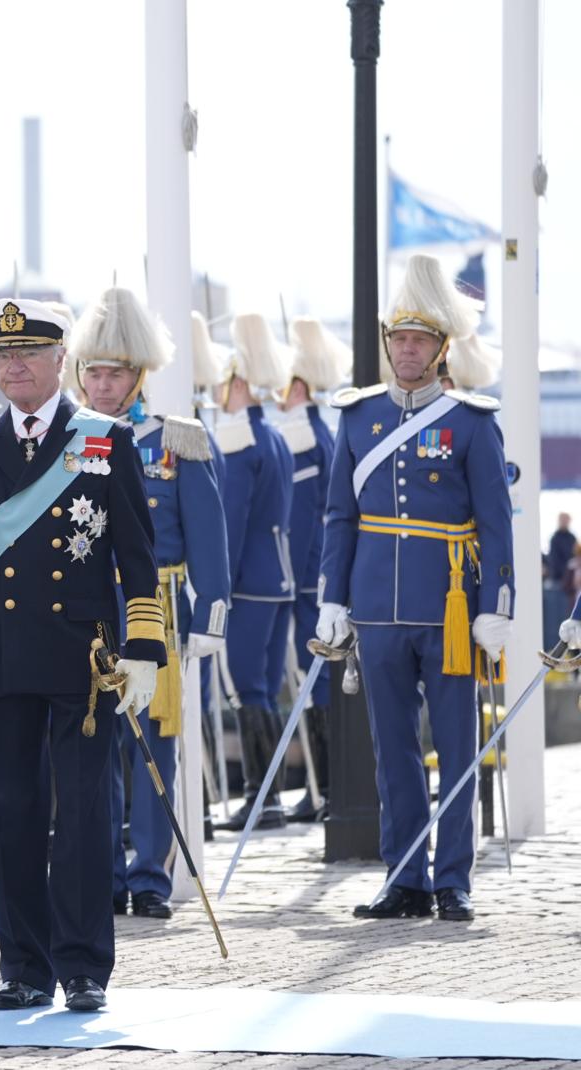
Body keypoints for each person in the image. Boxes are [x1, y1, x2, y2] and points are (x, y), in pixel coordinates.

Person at [0, 297, 166, 1013]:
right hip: (2, 656)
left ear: (63, 360)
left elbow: (137, 555)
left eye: (29, 353)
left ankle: (85, 965)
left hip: (83, 662)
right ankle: (24, 966)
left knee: (87, 814)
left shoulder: (102, 440)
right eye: (3, 355)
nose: (15, 366)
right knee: (11, 812)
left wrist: (145, 647)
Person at [318, 253, 514, 922]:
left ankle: (452, 879)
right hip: (376, 607)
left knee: (458, 746)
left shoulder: (472, 421)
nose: (407, 350)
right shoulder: (358, 418)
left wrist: (497, 608)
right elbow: (340, 516)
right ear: (387, 345)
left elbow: (496, 523)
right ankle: (404, 877)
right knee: (392, 751)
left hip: (451, 608)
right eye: (399, 339)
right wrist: (333, 600)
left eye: (420, 340)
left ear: (440, 349)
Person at [72, 288, 230, 921]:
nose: (104, 385)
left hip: (155, 607)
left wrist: (211, 616)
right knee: (91, 746)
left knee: (151, 749)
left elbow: (209, 538)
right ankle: (103, 874)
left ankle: (149, 879)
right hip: (84, 609)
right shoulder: (65, 438)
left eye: (115, 374)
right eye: (94, 372)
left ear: (138, 376)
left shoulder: (176, 442)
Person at [215, 313, 296, 831]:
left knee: (248, 688)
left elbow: (234, 520)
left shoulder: (243, 444)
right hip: (278, 578)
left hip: (248, 582)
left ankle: (260, 795)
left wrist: (218, 583)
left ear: (238, 384)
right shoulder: (275, 437)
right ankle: (266, 795)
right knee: (263, 687)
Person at [279, 317, 351, 822]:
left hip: (305, 574)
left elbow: (302, 517)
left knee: (317, 678)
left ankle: (326, 786)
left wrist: (289, 575)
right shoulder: (318, 431)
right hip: (312, 573)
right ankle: (328, 786)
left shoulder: (304, 437)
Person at [549, 513, 576, 587]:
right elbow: (554, 559)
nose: (564, 522)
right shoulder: (555, 538)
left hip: (570, 578)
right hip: (558, 578)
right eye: (562, 520)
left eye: (566, 520)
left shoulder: (572, 538)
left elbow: (574, 556)